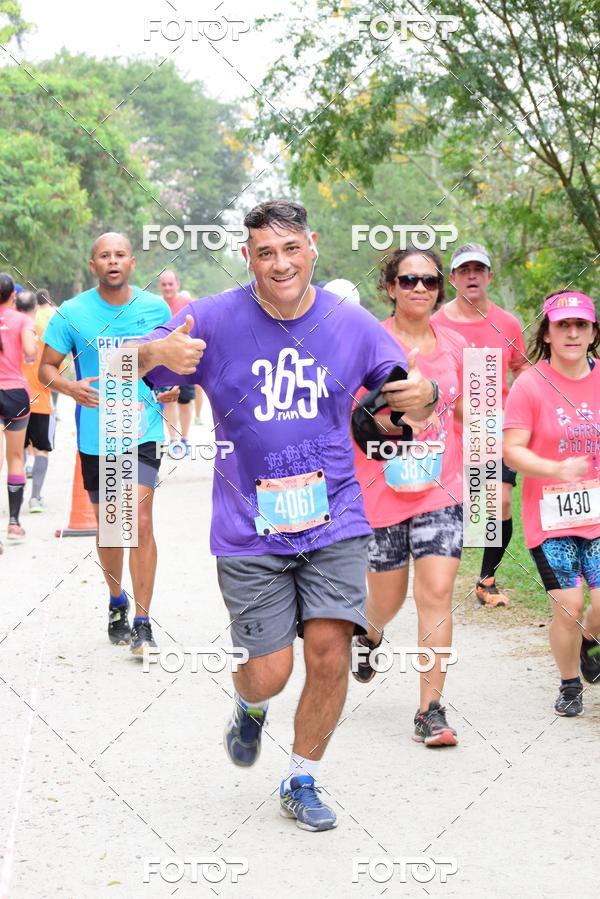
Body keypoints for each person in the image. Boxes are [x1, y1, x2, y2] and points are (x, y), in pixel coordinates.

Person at [132, 200, 438, 831]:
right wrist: (148, 354)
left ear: (313, 247)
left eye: (290, 248)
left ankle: (303, 777)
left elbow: (406, 388)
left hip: (335, 519)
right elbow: (125, 367)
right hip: (248, 526)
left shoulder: (347, 321)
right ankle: (249, 704)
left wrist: (428, 394)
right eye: (264, 252)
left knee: (329, 651)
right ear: (247, 256)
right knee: (271, 672)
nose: (279, 263)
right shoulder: (212, 317)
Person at [39, 233, 177, 655]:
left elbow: (167, 362)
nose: (112, 261)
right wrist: (70, 387)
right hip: (98, 434)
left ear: (132, 263)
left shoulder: (155, 308)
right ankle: (117, 600)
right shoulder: (73, 313)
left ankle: (143, 621)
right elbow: (45, 368)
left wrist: (168, 386)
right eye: (104, 255)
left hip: (143, 429)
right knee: (113, 527)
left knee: (140, 518)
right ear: (93, 263)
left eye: (120, 255)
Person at [351, 247, 465, 746]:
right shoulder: (364, 342)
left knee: (437, 592)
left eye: (430, 280)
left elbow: (478, 420)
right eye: (409, 279)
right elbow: (343, 417)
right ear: (391, 286)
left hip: (442, 489)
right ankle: (370, 633)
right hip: (380, 491)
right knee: (388, 598)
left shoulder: (459, 346)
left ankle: (430, 710)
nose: (421, 288)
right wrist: (387, 410)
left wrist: (437, 398)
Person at [504, 290, 600, 716]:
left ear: (593, 332)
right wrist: (555, 469)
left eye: (581, 325)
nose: (573, 332)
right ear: (547, 332)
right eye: (563, 325)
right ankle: (568, 685)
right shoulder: (530, 384)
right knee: (569, 605)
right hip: (551, 516)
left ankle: (589, 643)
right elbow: (512, 451)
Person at [432, 243, 528, 607]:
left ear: (489, 276)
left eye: (479, 269)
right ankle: (439, 577)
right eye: (464, 270)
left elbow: (521, 366)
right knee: (464, 510)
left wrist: (520, 407)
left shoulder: (507, 323)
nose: (472, 276)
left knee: (499, 502)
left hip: (497, 428)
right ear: (453, 278)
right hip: (452, 432)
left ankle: (487, 580)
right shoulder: (437, 322)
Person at [0, 273, 36, 547]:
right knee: (15, 456)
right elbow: (31, 353)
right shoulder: (22, 319)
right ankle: (14, 523)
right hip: (15, 393)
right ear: (14, 295)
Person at [15, 291, 54, 512]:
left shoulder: (10, 332)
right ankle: (36, 498)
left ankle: (16, 500)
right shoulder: (45, 331)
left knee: (17, 452)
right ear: (36, 307)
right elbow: (55, 365)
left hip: (14, 398)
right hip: (41, 399)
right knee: (41, 450)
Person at [158, 270, 195, 450]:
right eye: (164, 284)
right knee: (169, 400)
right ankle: (173, 440)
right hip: (164, 361)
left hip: (186, 359)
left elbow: (199, 325)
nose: (167, 288)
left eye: (170, 284)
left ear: (177, 285)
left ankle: (185, 439)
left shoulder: (187, 303)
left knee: (185, 400)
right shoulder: (156, 306)